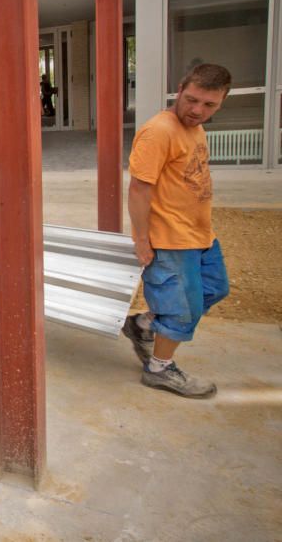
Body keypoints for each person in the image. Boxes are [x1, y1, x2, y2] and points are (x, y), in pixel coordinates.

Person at [121, 63, 231, 399]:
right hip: (171, 239)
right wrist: (142, 240)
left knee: (215, 288)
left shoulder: (195, 129)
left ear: (222, 101)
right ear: (180, 89)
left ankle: (143, 325)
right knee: (182, 309)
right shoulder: (159, 131)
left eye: (209, 105)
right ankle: (159, 369)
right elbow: (139, 189)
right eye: (192, 100)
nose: (197, 110)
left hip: (199, 233)